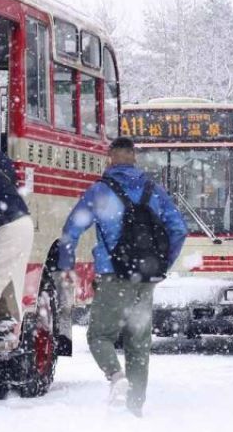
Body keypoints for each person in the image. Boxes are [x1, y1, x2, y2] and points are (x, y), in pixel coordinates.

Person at [57, 137, 187, 417]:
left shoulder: (100, 192)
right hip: (146, 279)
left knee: (98, 336)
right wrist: (163, 264)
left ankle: (116, 378)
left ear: (109, 157)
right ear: (134, 158)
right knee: (138, 345)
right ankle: (135, 409)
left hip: (114, 278)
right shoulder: (154, 191)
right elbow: (179, 229)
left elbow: (71, 231)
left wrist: (66, 267)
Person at [0, 147, 34, 340]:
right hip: (22, 221)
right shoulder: (0, 159)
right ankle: (2, 319)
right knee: (1, 274)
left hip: (9, 225)